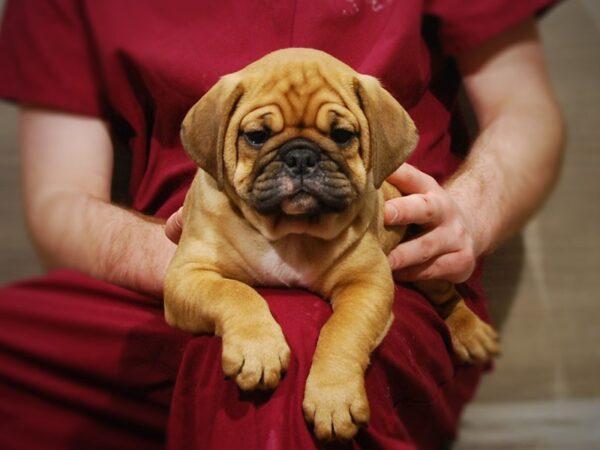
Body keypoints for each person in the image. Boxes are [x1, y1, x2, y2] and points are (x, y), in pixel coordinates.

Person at [0, 1, 563, 449]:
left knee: (283, 369)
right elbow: (59, 200)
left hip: (381, 254)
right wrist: (197, 262)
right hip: (165, 265)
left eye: (338, 136)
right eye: (261, 136)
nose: (299, 165)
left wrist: (470, 212)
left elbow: (525, 108)